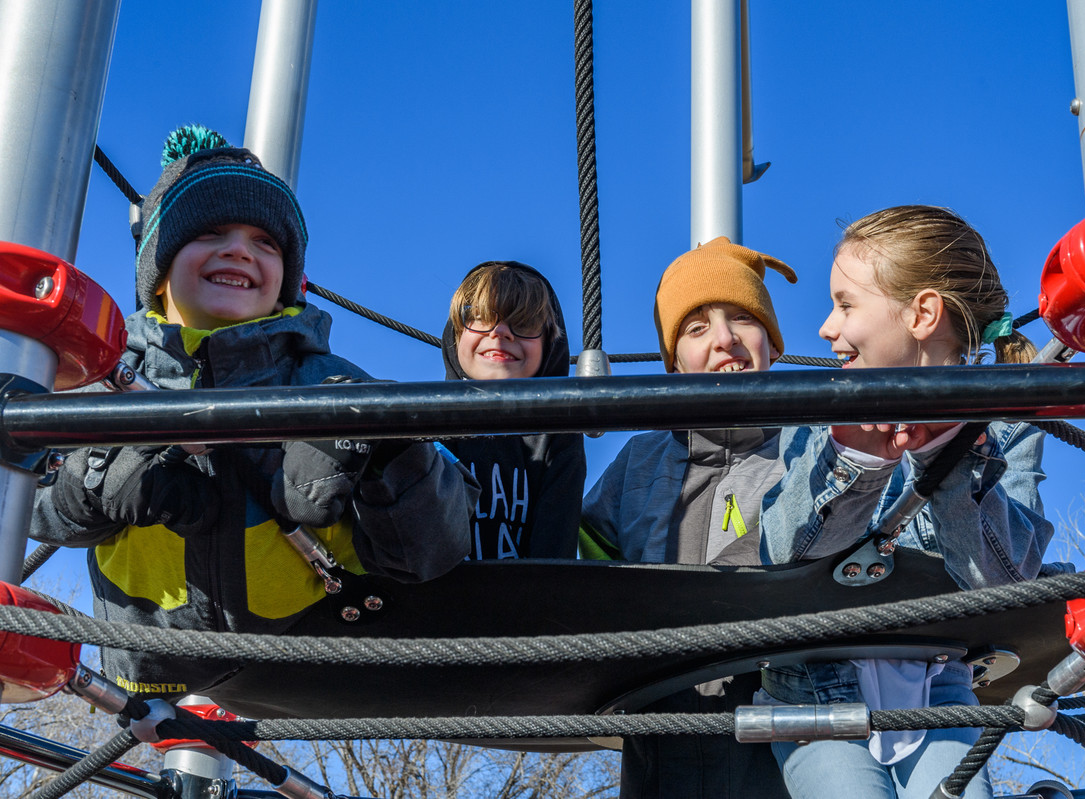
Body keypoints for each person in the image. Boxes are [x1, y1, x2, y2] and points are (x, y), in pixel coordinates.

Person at [30, 124, 479, 700]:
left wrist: (389, 453)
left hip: (305, 670)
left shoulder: (330, 383)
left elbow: (434, 549)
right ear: (157, 272)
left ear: (288, 280)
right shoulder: (107, 382)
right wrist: (94, 481)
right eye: (210, 232)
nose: (240, 250)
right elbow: (28, 504)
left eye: (266, 242)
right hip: (156, 675)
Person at [758, 205, 1053, 799]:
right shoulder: (816, 416)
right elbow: (782, 554)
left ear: (922, 314)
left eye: (845, 305)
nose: (825, 327)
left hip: (938, 682)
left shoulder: (1006, 426)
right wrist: (856, 463)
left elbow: (1002, 583)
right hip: (810, 686)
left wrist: (951, 457)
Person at [580, 236, 795, 798]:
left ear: (773, 343)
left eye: (743, 318)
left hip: (783, 744)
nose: (725, 339)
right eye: (696, 328)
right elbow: (586, 569)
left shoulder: (810, 451)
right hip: (660, 743)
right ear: (673, 361)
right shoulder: (638, 464)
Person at [441, 261, 584, 559]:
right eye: (479, 317)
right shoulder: (425, 424)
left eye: (525, 323)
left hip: (529, 589)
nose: (500, 332)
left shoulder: (558, 436)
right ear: (455, 335)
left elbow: (554, 553)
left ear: (550, 345)